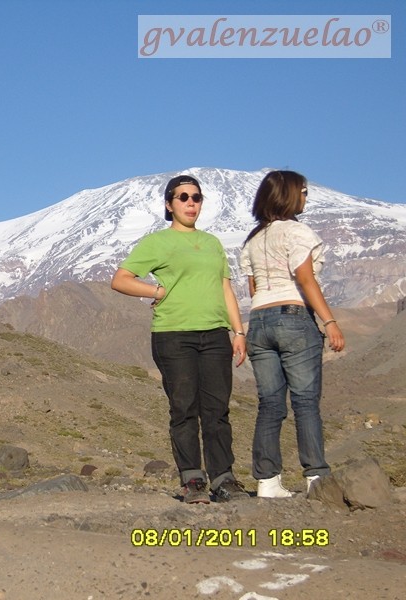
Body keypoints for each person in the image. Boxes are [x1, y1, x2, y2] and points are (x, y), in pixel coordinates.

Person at [111, 174, 249, 504]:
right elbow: (121, 279)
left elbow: (226, 289)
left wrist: (239, 331)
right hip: (173, 336)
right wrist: (156, 290)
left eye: (196, 197)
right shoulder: (157, 242)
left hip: (215, 334)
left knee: (217, 409)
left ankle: (224, 479)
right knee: (184, 407)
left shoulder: (213, 243)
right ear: (169, 205)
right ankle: (192, 481)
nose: (190, 203)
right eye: (183, 197)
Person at [239, 170, 344, 498]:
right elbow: (305, 279)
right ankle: (316, 477)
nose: (306, 197)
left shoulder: (253, 240)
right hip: (293, 317)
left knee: (270, 403)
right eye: (303, 191)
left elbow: (253, 286)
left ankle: (268, 482)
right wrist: (329, 322)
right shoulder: (298, 233)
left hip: (259, 321)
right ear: (289, 195)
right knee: (305, 402)